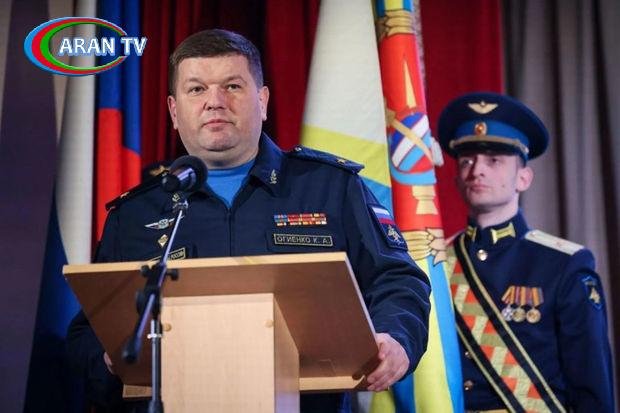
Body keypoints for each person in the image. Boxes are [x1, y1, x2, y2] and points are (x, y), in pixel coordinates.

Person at [67, 29, 431, 412]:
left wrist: (396, 339)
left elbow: (397, 280)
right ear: (174, 111)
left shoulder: (329, 187)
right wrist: (109, 358)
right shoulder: (135, 214)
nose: (215, 102)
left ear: (263, 100)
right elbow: (87, 333)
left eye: (232, 86)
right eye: (196, 89)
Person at [437, 92, 614, 412]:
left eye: (494, 161)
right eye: (467, 161)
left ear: (523, 178)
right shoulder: (436, 261)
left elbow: (590, 382)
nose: (477, 171)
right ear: (456, 179)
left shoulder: (564, 264)